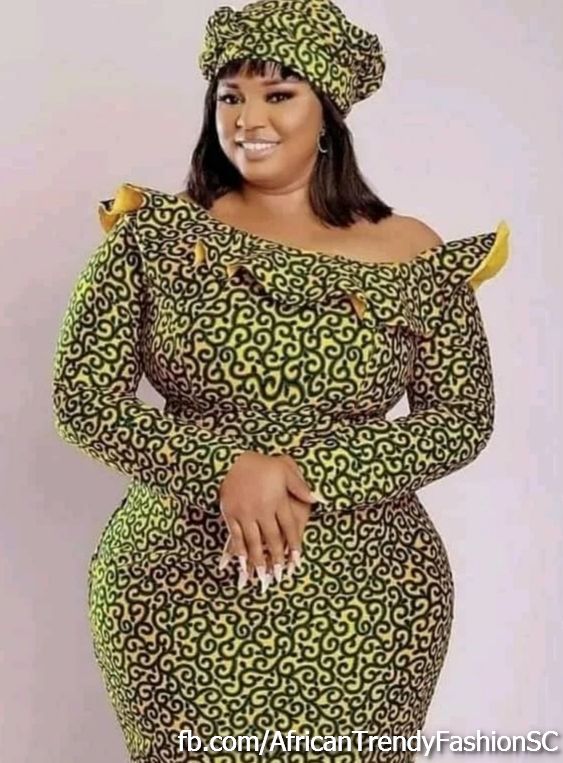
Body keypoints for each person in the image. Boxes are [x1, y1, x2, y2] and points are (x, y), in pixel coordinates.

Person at [52, 0, 511, 760]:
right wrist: (225, 468)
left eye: (278, 93)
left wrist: (300, 474)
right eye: (230, 96)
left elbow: (461, 417)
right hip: (178, 593)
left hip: (370, 599)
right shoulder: (154, 237)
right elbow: (84, 401)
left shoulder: (412, 251)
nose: (248, 118)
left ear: (326, 113)